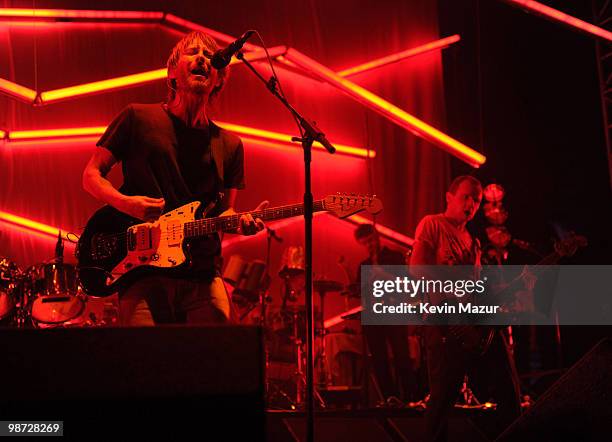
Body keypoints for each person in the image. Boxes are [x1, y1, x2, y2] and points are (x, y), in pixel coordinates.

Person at [82, 31, 265, 326]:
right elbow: (91, 176)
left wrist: (241, 222)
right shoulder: (137, 118)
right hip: (144, 271)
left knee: (220, 363)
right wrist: (127, 204)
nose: (202, 59)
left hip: (202, 274)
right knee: (148, 364)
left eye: (209, 56)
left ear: (218, 80)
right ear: (172, 75)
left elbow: (224, 212)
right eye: (192, 53)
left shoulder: (230, 145)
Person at [411, 176, 521, 442]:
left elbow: (475, 289)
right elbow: (417, 270)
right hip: (444, 322)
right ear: (449, 197)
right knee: (443, 398)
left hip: (471, 322)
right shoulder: (432, 224)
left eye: (477, 200)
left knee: (507, 387)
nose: (472, 204)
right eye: (467, 197)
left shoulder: (473, 241)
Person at [355, 223, 419, 404]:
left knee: (402, 357)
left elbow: (407, 285)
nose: (369, 245)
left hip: (394, 312)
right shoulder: (363, 266)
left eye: (370, 240)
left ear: (377, 237)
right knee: (379, 360)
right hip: (374, 317)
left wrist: (384, 276)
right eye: (365, 243)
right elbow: (360, 292)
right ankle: (389, 399)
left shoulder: (395, 258)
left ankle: (410, 398)